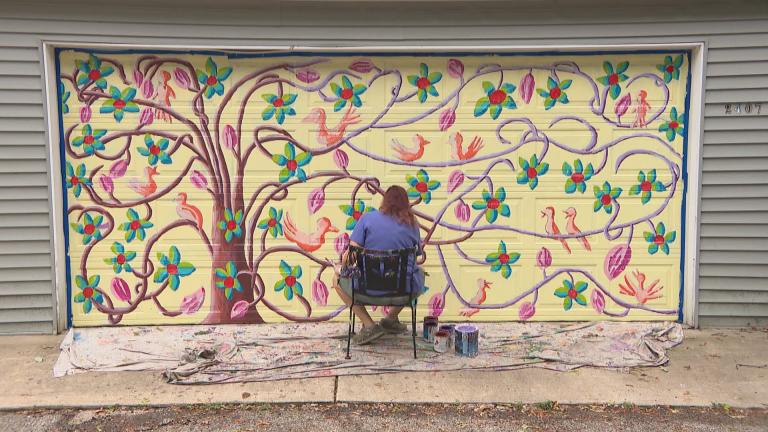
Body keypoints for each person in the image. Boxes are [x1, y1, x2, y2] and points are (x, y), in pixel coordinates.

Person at [334, 185, 425, 345]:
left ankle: (369, 325)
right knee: (420, 274)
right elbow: (417, 257)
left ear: (385, 201)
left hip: (366, 289)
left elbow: (352, 253)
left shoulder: (367, 219)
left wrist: (341, 266)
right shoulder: (412, 223)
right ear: (406, 203)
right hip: (401, 290)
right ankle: (390, 319)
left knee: (336, 280)